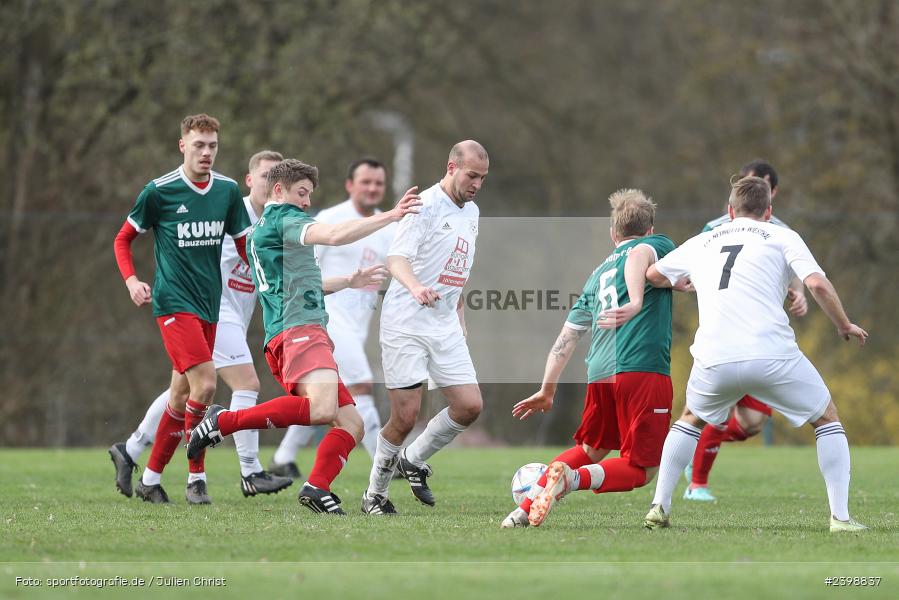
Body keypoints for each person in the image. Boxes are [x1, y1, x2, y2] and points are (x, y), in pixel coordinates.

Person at [187, 159, 420, 515]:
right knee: (323, 409)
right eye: (302, 193)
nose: (307, 202)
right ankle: (223, 421)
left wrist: (346, 281)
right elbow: (333, 235)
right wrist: (390, 215)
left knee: (352, 424)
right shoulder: (284, 218)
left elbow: (296, 284)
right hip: (298, 331)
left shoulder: (265, 229)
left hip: (298, 330)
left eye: (310, 194)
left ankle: (316, 487)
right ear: (278, 191)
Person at [640, 175, 868, 533]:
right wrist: (843, 324)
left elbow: (653, 274)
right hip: (771, 354)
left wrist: (679, 282)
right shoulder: (782, 235)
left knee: (689, 419)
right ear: (768, 211)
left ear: (730, 211)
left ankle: (659, 507)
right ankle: (839, 518)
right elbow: (818, 283)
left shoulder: (703, 240)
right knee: (826, 418)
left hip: (714, 357)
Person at [109, 150, 293, 502]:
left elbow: (279, 267)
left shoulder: (277, 220)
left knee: (182, 390)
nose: (274, 183)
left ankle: (132, 452)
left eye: (280, 177)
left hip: (227, 315)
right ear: (250, 179)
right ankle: (247, 471)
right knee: (242, 384)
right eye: (267, 175)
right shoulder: (228, 207)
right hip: (209, 309)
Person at [501, 189, 676, 528]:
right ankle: (569, 480)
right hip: (640, 369)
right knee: (642, 469)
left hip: (600, 373)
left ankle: (520, 511)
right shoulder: (656, 245)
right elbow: (640, 252)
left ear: (613, 233)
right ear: (651, 229)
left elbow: (566, 338)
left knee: (590, 449)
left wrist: (547, 388)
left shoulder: (597, 275)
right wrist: (638, 300)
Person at [361, 140, 488, 516]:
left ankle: (413, 460)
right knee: (404, 417)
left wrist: (460, 314)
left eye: (482, 178)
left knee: (469, 406)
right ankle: (375, 495)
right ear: (452, 167)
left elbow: (457, 269)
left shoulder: (473, 211)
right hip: (406, 323)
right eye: (471, 175)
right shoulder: (424, 206)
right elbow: (396, 258)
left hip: (444, 323)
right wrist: (415, 286)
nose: (477, 184)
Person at [685, 160, 809, 502]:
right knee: (704, 414)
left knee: (752, 422)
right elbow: (690, 266)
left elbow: (795, 269)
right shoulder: (714, 227)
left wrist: (797, 293)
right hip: (722, 337)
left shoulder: (781, 231)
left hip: (761, 337)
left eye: (764, 184)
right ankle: (696, 482)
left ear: (774, 193)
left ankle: (691, 448)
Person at [270, 158, 397, 477]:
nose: (372, 188)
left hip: (358, 325)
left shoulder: (386, 227)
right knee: (362, 387)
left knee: (325, 396)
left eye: (378, 183)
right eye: (365, 182)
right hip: (326, 318)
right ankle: (384, 462)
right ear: (350, 185)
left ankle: (283, 457)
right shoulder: (330, 218)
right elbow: (304, 270)